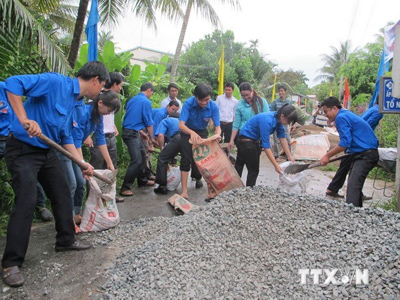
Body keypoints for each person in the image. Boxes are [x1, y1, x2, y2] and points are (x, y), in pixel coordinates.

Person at [1, 61, 108, 287]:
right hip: (22, 149)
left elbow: (66, 136)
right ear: (95, 80)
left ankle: (65, 240)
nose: (101, 91)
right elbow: (12, 84)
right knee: (27, 201)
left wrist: (81, 163)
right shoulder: (55, 82)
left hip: (46, 152)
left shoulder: (74, 102)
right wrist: (23, 118)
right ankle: (11, 263)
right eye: (102, 86)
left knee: (62, 193)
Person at [0, 82, 54, 222]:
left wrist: (22, 121)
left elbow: (16, 101)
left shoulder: (4, 87)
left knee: (28, 175)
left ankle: (40, 206)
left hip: (12, 136)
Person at [319, 97, 379, 207]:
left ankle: (352, 215)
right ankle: (357, 213)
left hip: (366, 154)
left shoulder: (341, 117)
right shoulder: (345, 114)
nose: (325, 114)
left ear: (334, 109)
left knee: (353, 187)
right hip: (361, 153)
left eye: (326, 111)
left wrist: (327, 155)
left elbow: (345, 143)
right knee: (354, 186)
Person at [71, 91, 120, 221]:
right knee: (72, 183)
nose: (108, 113)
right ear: (100, 103)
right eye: (108, 110)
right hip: (66, 148)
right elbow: (76, 139)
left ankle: (76, 214)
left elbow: (100, 139)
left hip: (75, 148)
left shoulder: (98, 117)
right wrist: (82, 163)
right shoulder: (84, 112)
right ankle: (67, 217)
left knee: (81, 182)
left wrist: (109, 163)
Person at [235, 104, 297, 186]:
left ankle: (234, 190)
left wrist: (289, 156)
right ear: (282, 116)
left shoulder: (278, 120)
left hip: (249, 140)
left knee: (240, 166)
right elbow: (266, 146)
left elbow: (282, 138)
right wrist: (275, 165)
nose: (287, 124)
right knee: (253, 170)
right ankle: (247, 192)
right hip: (246, 141)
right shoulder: (267, 121)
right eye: (288, 122)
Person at [179, 83, 221, 200]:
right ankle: (184, 192)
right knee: (186, 160)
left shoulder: (213, 107)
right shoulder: (188, 103)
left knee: (204, 162)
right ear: (195, 97)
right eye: (201, 100)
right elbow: (181, 125)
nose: (204, 103)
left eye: (206, 100)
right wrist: (191, 133)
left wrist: (217, 135)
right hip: (187, 132)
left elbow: (218, 126)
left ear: (210, 97)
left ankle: (210, 191)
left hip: (202, 132)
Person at [120, 82, 156, 197]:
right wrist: (152, 138)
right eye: (152, 93)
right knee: (136, 160)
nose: (151, 95)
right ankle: (125, 187)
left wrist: (141, 132)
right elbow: (148, 122)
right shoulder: (146, 101)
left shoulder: (132, 99)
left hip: (133, 132)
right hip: (130, 134)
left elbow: (132, 118)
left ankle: (142, 181)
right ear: (149, 90)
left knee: (142, 156)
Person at [227, 82, 269, 151]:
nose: (246, 97)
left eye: (247, 95)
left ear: (252, 91)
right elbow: (236, 124)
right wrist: (231, 140)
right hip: (243, 136)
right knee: (241, 159)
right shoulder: (239, 104)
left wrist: (266, 138)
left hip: (256, 137)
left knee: (254, 159)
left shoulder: (262, 102)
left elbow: (266, 120)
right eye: (243, 96)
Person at [154, 112, 180, 194]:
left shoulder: (166, 120)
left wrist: (162, 149)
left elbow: (160, 135)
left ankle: (162, 186)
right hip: (188, 138)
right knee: (190, 159)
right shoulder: (182, 121)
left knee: (162, 158)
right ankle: (198, 180)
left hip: (178, 138)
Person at [270, 85, 292, 161]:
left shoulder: (288, 101)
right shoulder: (275, 102)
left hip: (285, 123)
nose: (280, 92)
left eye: (282, 91)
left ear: (285, 92)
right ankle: (276, 156)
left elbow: (291, 111)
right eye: (279, 91)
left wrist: (291, 122)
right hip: (277, 123)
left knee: (288, 139)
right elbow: (271, 110)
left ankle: (288, 156)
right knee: (276, 140)